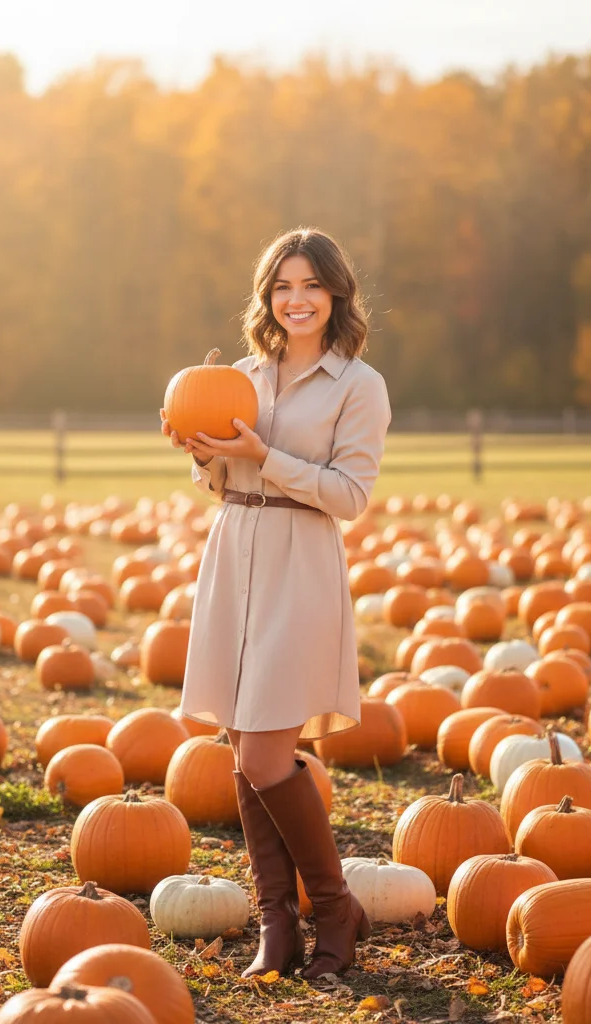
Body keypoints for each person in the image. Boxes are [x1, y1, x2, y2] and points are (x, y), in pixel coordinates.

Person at [159, 227, 392, 980]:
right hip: (235, 553)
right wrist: (204, 458)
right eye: (283, 286)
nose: (297, 300)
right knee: (242, 746)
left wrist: (265, 455)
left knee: (265, 752)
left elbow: (350, 495)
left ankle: (335, 911)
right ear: (268, 297)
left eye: (311, 286)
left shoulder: (359, 385)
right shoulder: (245, 378)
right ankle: (278, 925)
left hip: (301, 563)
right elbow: (225, 482)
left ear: (336, 295)